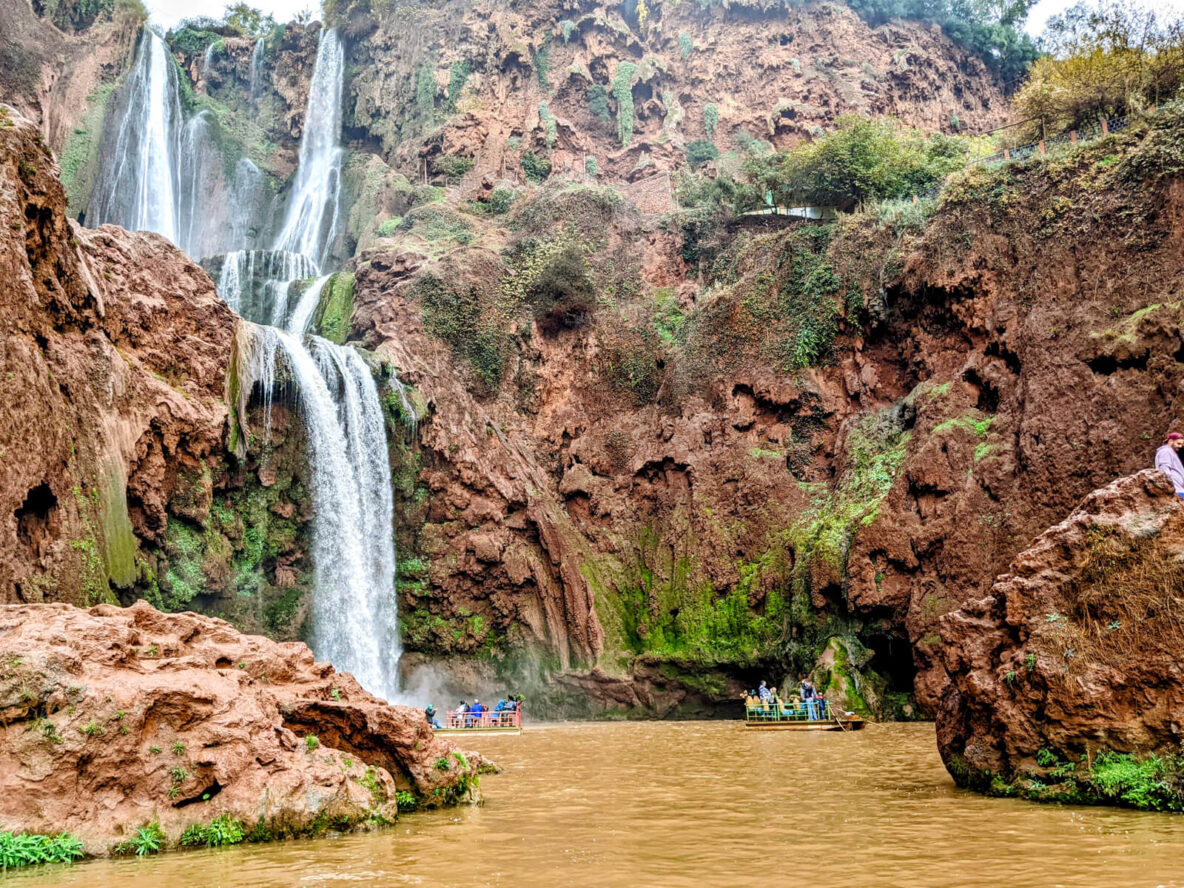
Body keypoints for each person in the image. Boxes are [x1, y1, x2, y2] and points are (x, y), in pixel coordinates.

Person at [1156, 432, 1184, 500]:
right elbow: (1164, 469)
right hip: (1175, 489)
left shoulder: (1170, 452)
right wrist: (1169, 485)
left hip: (1178, 488)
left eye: (1181, 445)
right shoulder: (1166, 451)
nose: (1180, 446)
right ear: (1171, 441)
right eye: (1178, 443)